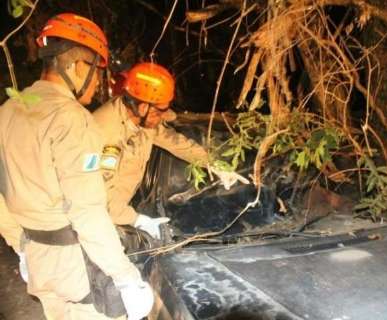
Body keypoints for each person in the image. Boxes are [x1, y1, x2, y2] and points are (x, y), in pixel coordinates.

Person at [0, 13, 153, 320]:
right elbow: (87, 211)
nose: (98, 83)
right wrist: (125, 277)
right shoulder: (70, 118)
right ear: (75, 65)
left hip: (38, 257)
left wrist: (20, 244)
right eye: (97, 71)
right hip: (77, 267)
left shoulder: (9, 109)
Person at [93, 62, 249, 239]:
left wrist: (213, 164)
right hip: (97, 219)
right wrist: (135, 219)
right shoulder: (106, 132)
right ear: (144, 107)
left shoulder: (141, 117)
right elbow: (97, 193)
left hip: (115, 213)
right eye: (160, 111)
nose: (161, 118)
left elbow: (174, 141)